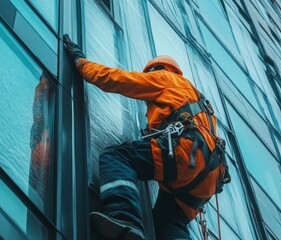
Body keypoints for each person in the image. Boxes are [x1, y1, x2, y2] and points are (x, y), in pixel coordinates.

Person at [63, 34, 230, 240]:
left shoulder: (165, 78)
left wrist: (82, 63)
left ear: (156, 70)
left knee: (117, 157)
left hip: (187, 153)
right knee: (169, 220)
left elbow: (119, 80)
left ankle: (125, 220)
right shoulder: (200, 100)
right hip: (208, 180)